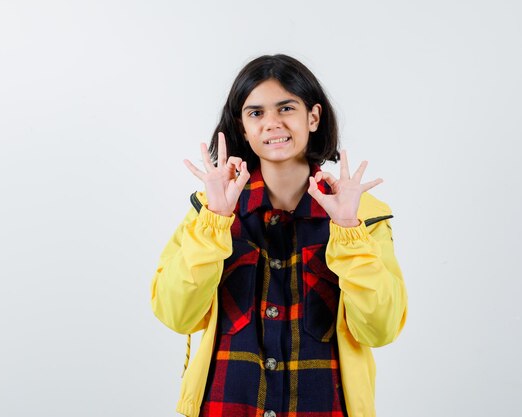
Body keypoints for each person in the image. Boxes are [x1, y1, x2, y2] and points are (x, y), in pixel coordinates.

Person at [151, 54, 407, 417]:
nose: (272, 123)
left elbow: (379, 330)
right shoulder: (211, 211)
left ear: (313, 117)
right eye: (256, 113)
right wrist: (215, 221)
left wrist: (349, 233)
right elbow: (178, 315)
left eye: (286, 108)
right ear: (242, 127)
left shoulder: (363, 217)